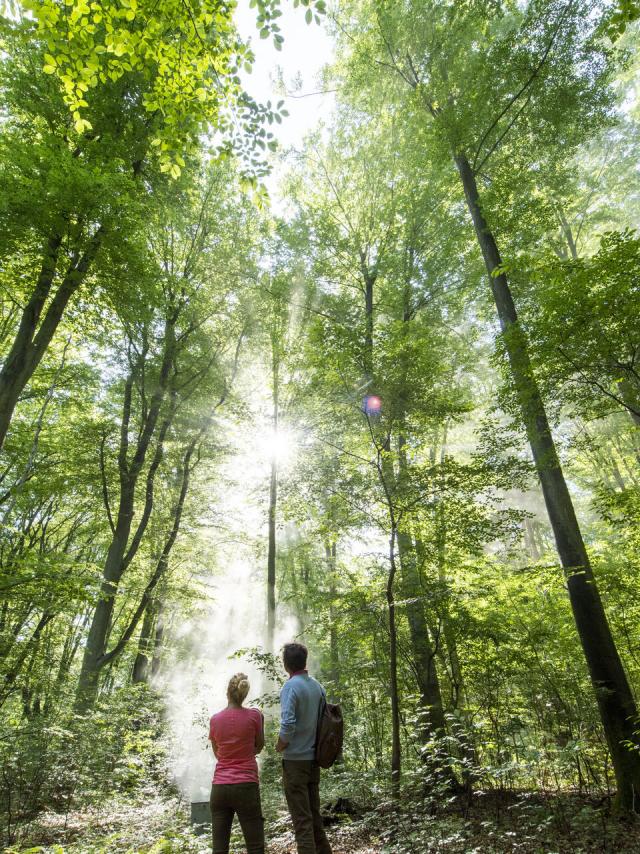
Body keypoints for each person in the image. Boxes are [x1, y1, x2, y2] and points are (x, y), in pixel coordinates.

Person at [275, 642, 332, 854]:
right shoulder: (317, 686)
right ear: (304, 661)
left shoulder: (291, 686)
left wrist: (281, 744)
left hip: (296, 762)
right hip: (313, 760)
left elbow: (288, 723)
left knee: (302, 822)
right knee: (314, 817)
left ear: (285, 664)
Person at [209, 673, 265, 854]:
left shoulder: (215, 719)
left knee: (219, 848)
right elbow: (260, 745)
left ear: (228, 693)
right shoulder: (255, 716)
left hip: (219, 788)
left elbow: (217, 753)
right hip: (246, 786)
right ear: (244, 694)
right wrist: (248, 752)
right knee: (255, 847)